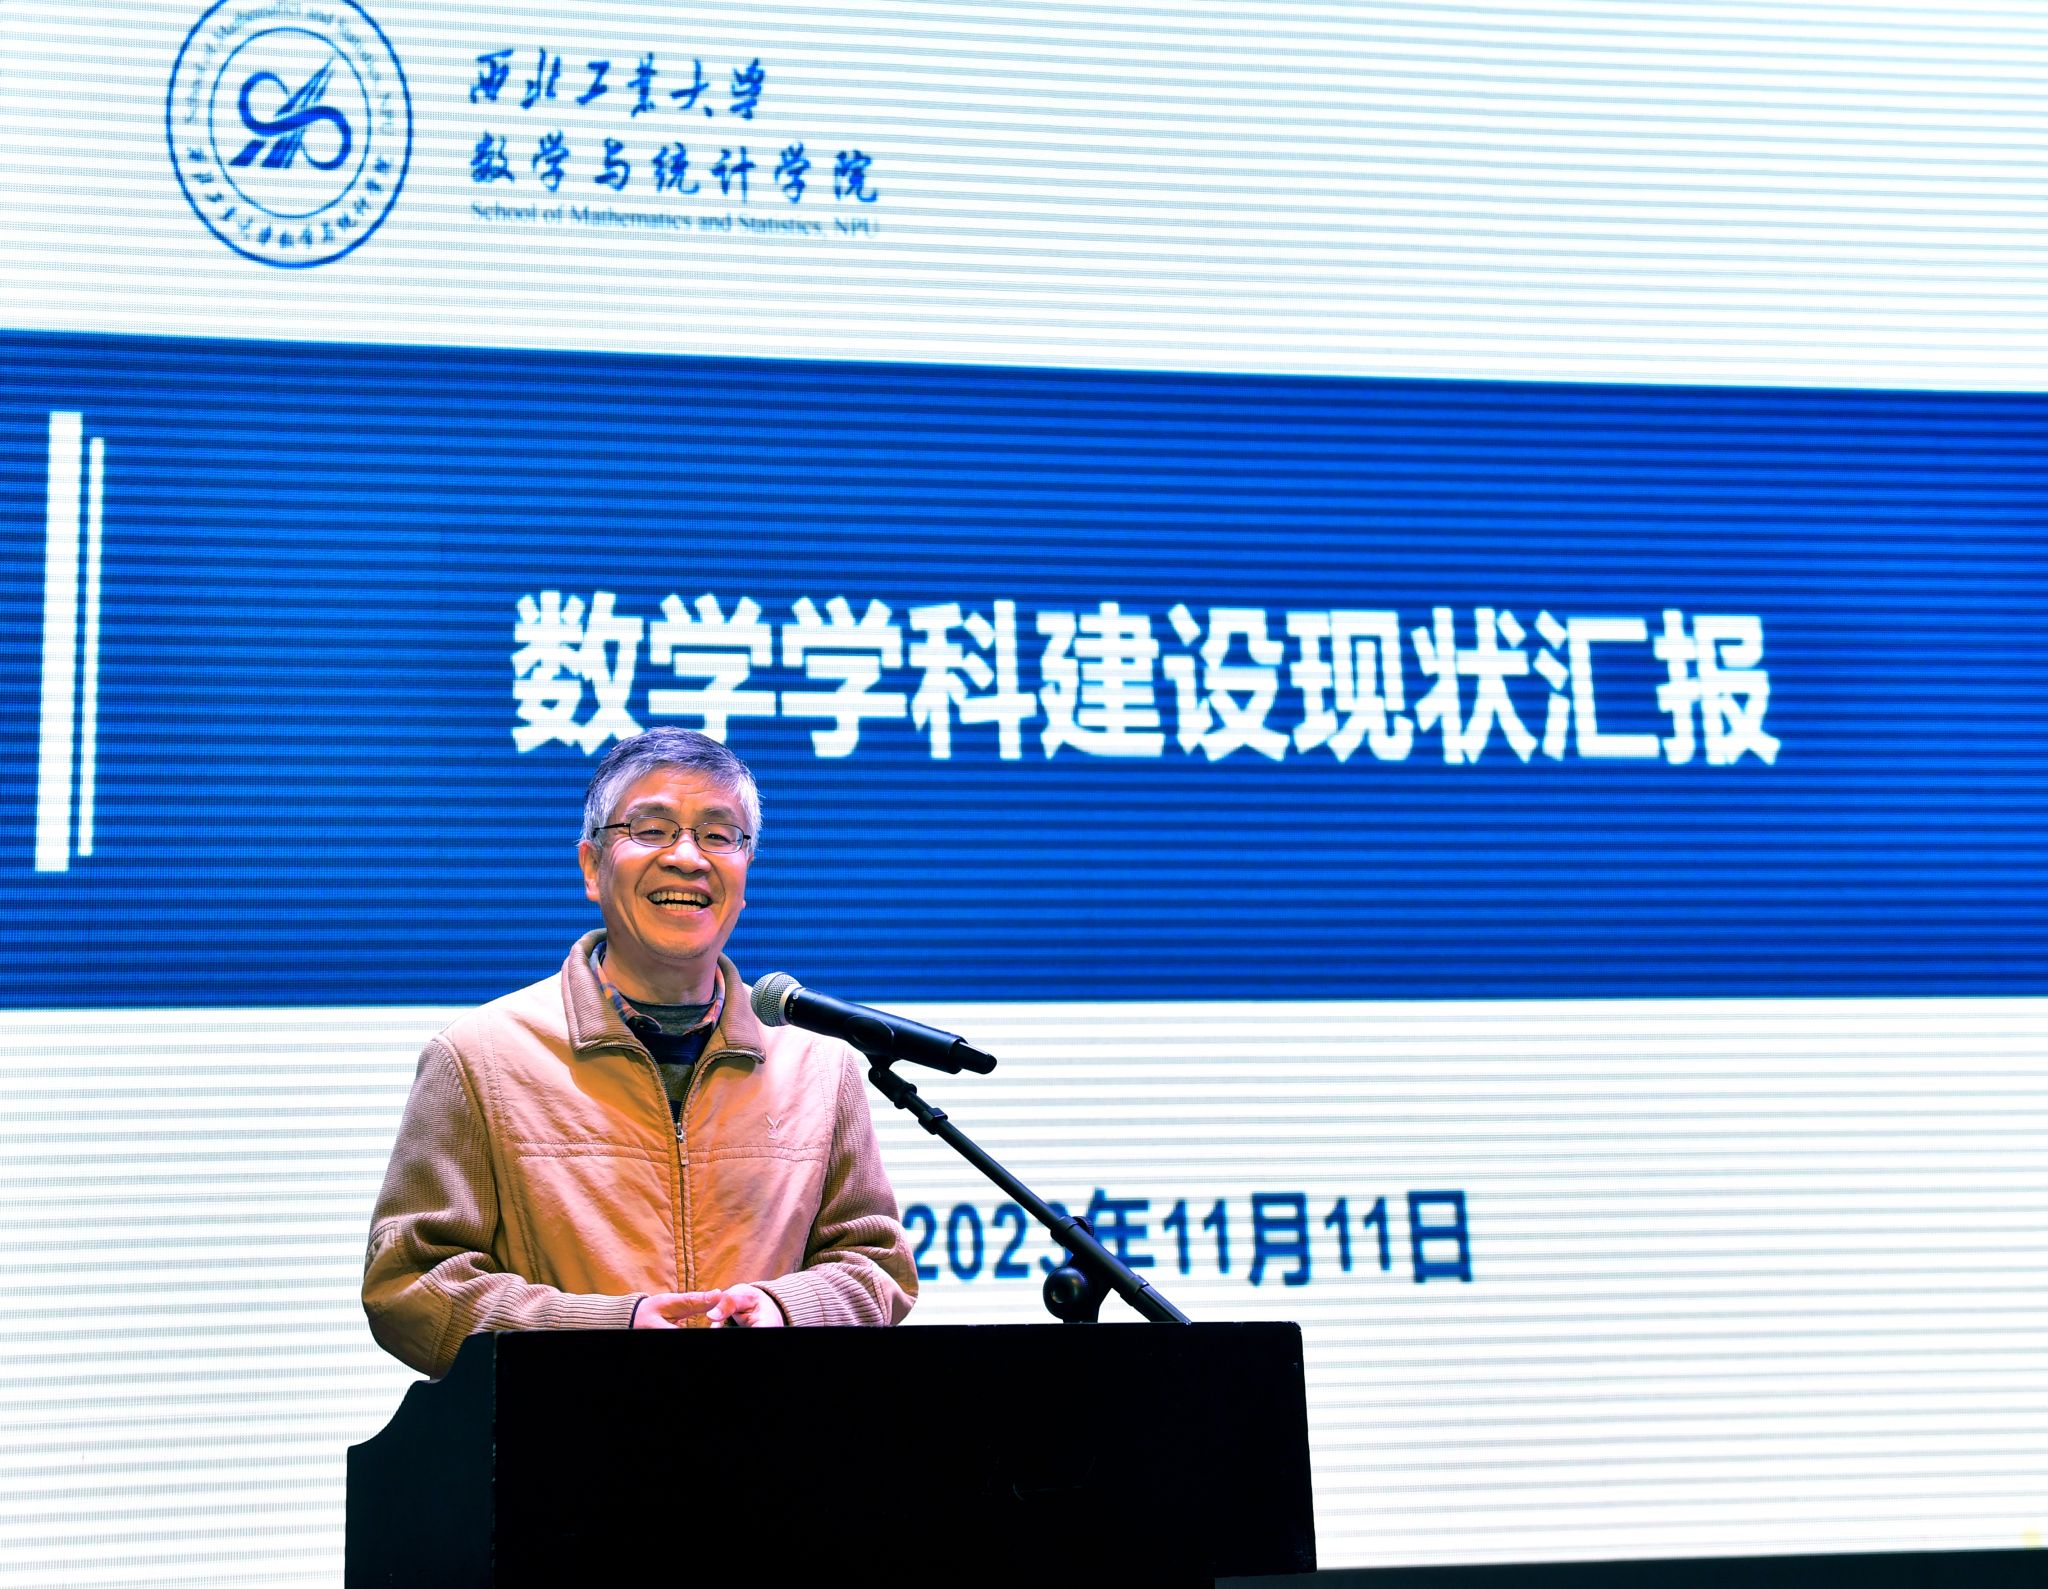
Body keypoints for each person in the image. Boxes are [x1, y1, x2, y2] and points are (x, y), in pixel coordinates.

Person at [362, 728, 916, 1378]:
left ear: (745, 873)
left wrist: (783, 1309)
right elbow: (412, 1284)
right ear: (591, 867)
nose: (687, 857)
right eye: (652, 830)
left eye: (719, 835)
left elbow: (874, 1263)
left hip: (773, 1432)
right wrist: (608, 1330)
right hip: (567, 1433)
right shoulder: (479, 1057)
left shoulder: (818, 1064)